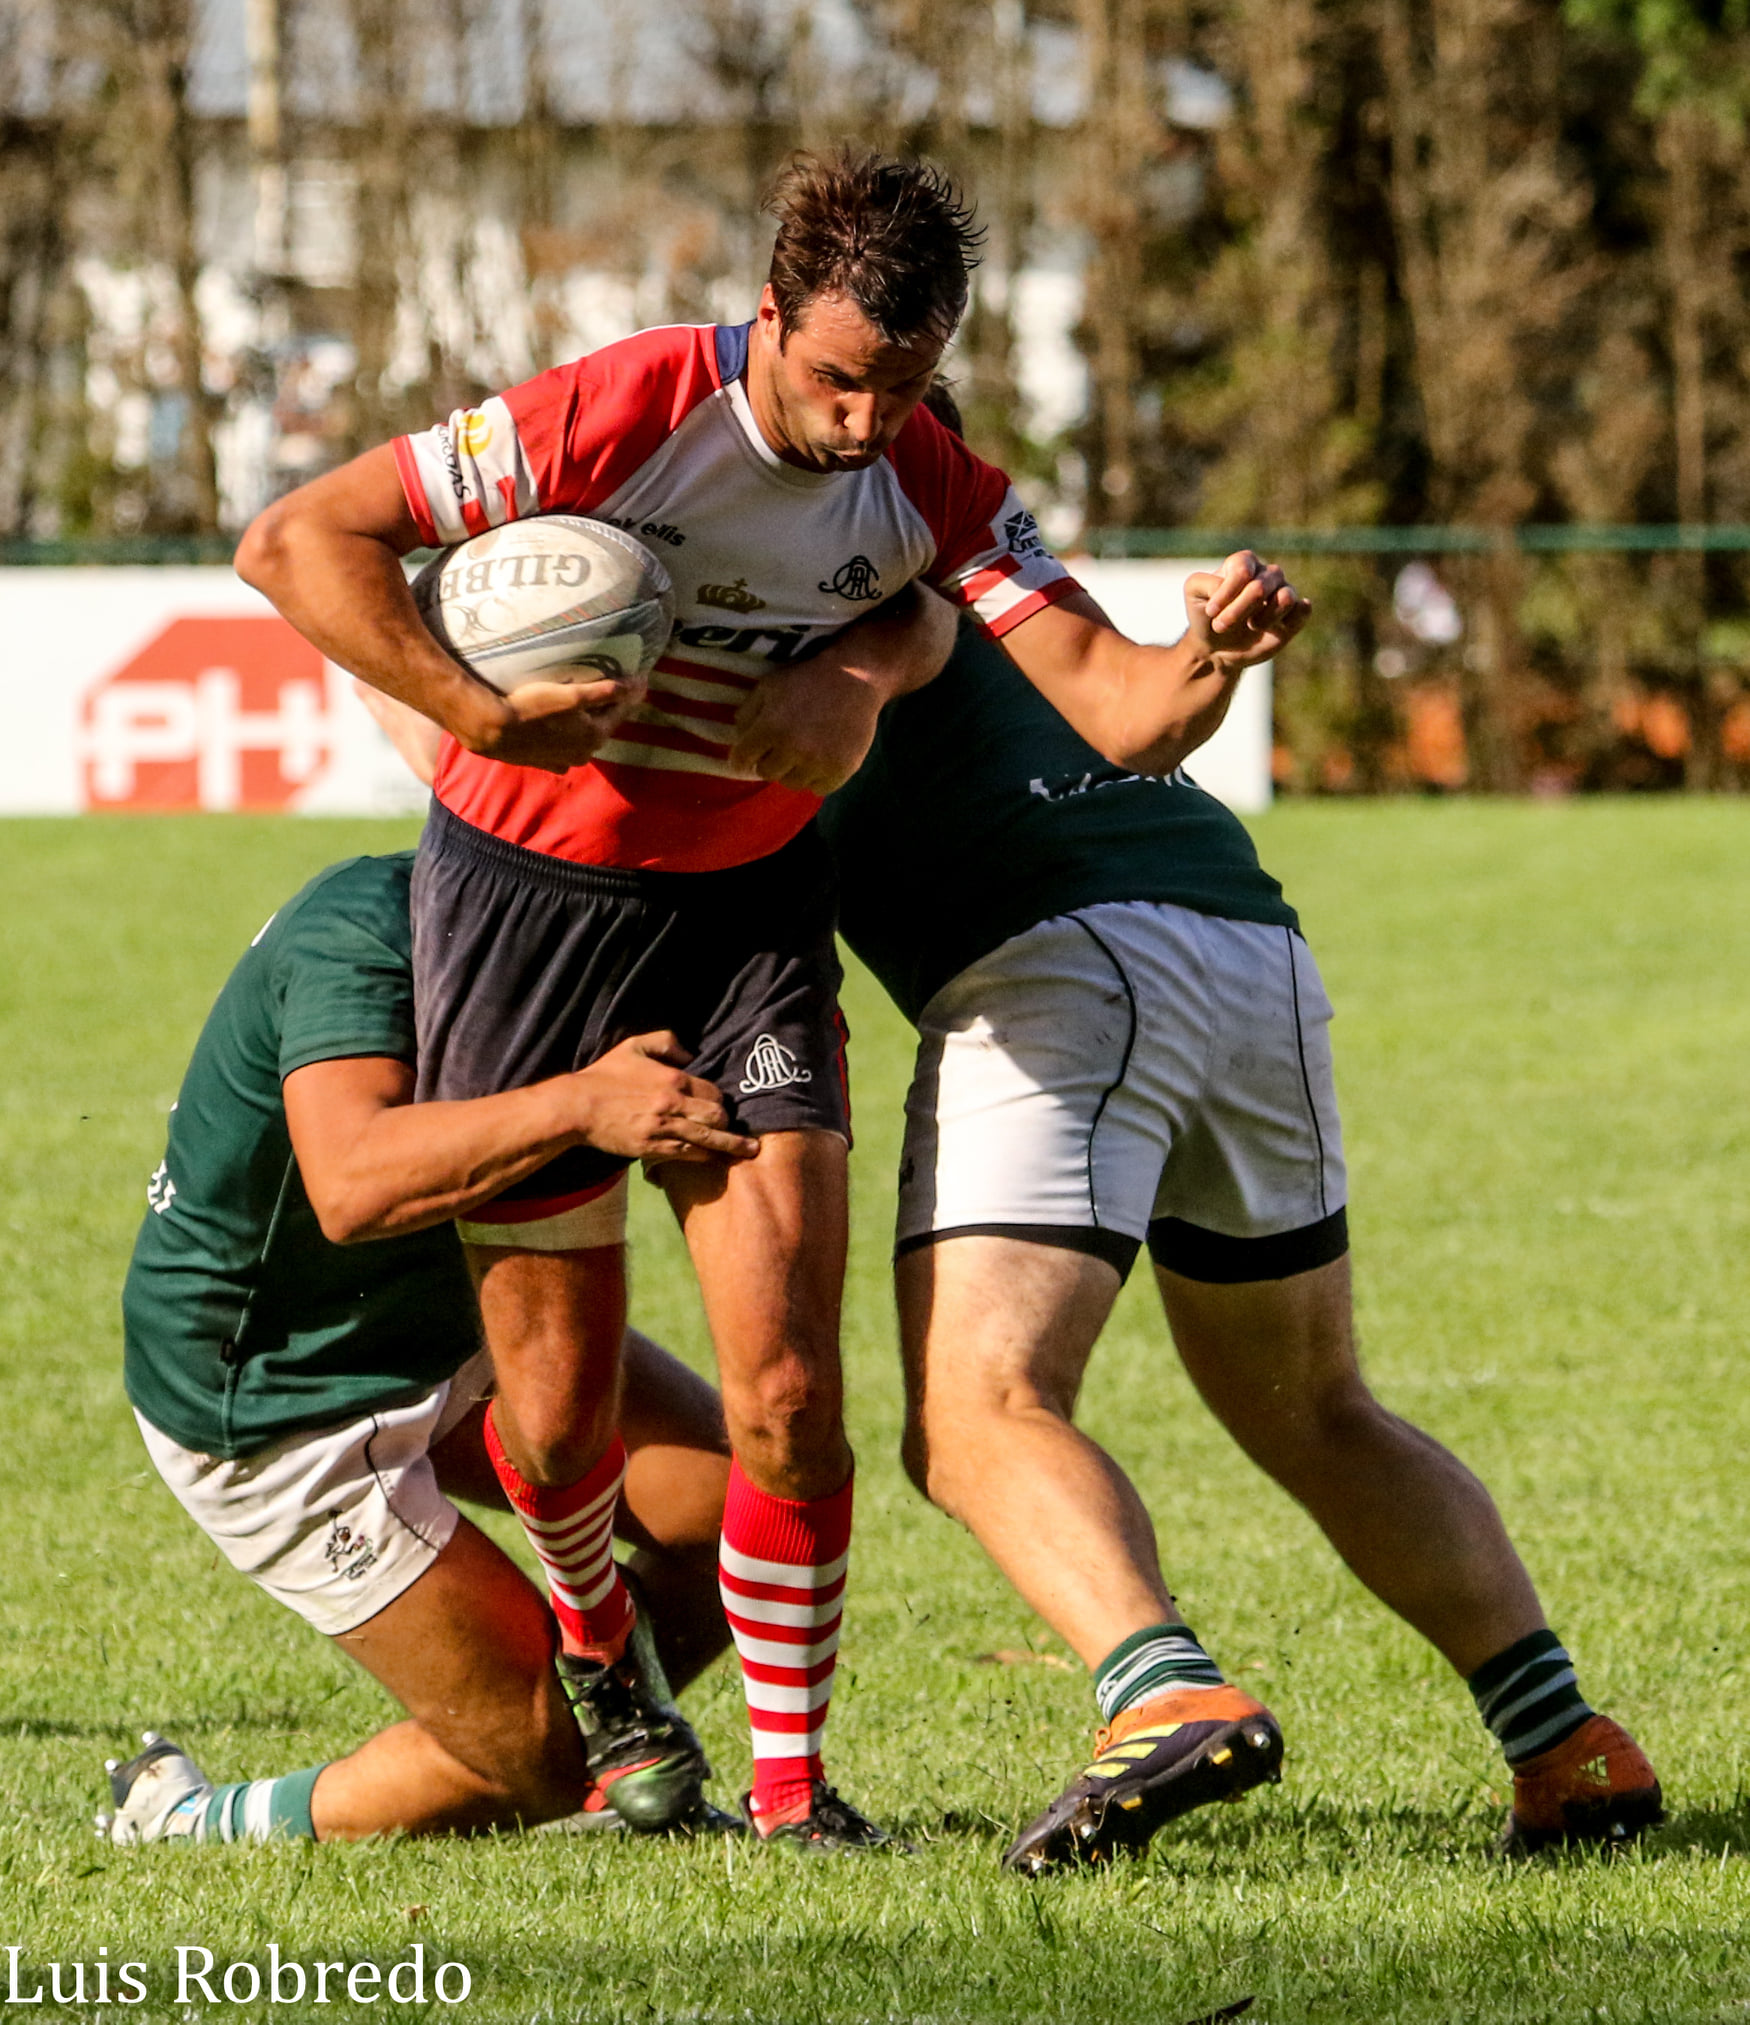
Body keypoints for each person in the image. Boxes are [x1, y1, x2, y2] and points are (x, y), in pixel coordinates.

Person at [233, 148, 1304, 1848]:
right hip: (523, 910)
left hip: (745, 920)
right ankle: (608, 1674)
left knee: (792, 1393)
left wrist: (1211, 660)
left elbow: (1114, 708)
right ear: (771, 318)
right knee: (556, 1411)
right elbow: (297, 539)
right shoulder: (625, 403)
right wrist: (477, 711)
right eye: (838, 375)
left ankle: (798, 1798)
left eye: (909, 383)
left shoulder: (937, 479)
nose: (871, 419)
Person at [819, 419, 1663, 1868]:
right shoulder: (976, 564)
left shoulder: (798, 589)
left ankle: (1160, 1690)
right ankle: (1568, 1744)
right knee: (1314, 1405)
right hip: (1245, 939)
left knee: (976, 1411)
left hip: (1063, 957)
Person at [102, 850, 747, 1846]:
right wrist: (582, 1102)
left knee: (733, 1512)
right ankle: (187, 1817)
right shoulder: (366, 925)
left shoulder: (592, 921)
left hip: (455, 1325)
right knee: (538, 1765)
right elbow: (354, 1185)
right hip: (278, 1394)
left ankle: (619, 1732)